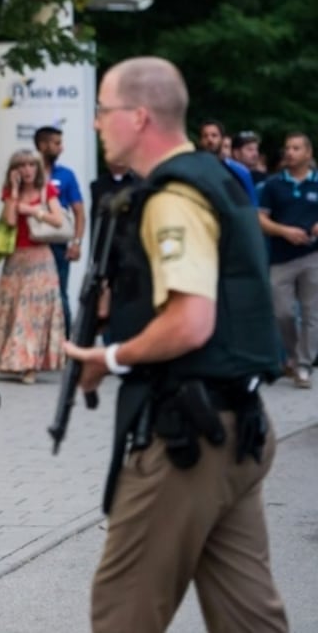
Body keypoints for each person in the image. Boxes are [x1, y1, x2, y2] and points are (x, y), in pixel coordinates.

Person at [66, 56, 287, 632]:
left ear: (138, 117)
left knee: (121, 612)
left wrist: (110, 357)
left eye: (102, 111)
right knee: (249, 618)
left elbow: (191, 321)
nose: (96, 123)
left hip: (187, 438)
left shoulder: (173, 195)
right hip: (239, 422)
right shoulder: (214, 179)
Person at [0, 150, 66, 383]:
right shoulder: (9, 193)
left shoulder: (47, 191)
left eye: (31, 165)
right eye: (21, 166)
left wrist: (33, 210)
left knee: (33, 313)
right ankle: (15, 361)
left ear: (37, 168)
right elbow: (10, 221)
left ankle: (31, 365)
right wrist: (14, 193)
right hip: (16, 259)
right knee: (12, 310)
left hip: (41, 259)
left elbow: (59, 220)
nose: (27, 170)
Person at [256, 132, 318, 388]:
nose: (289, 152)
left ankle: (304, 364)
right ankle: (292, 355)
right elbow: (260, 219)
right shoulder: (273, 185)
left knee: (311, 312)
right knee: (282, 312)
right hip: (281, 258)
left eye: (295, 148)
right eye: (287, 148)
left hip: (312, 255)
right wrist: (284, 231)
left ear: (308, 154)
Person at [34, 126, 85, 335]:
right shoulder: (28, 173)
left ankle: (64, 345)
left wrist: (76, 243)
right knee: (35, 294)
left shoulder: (66, 175)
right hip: (33, 245)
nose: (61, 148)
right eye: (56, 143)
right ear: (42, 145)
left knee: (59, 293)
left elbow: (79, 212)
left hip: (58, 245)